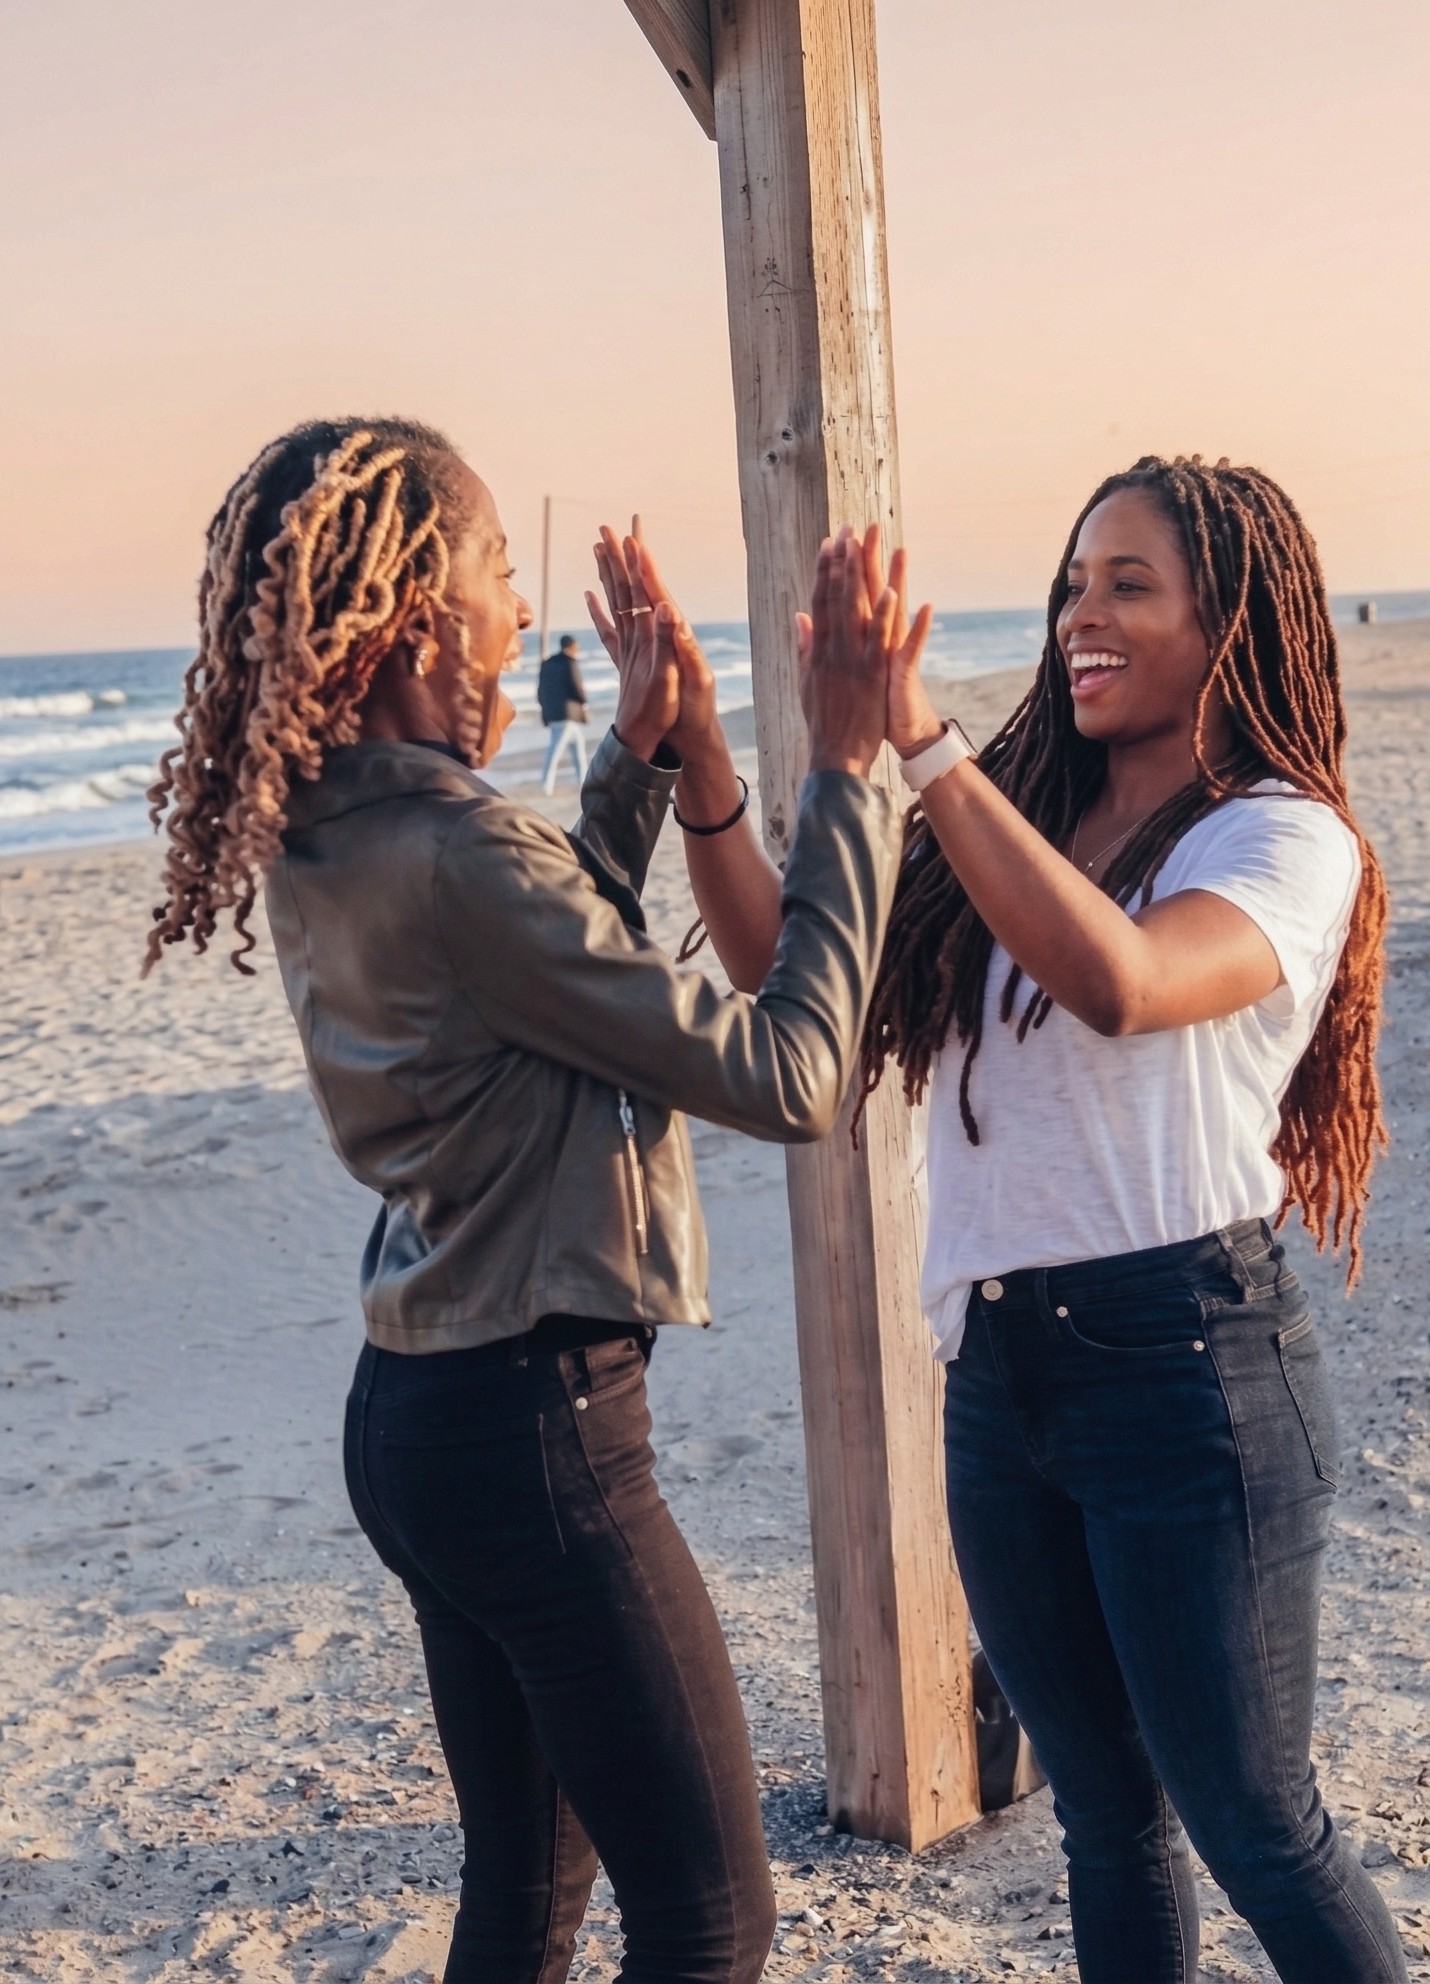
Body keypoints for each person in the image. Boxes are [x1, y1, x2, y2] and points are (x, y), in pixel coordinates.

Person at [143, 415, 920, 1984]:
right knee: (710, 1924)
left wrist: (642, 760)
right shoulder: (460, 849)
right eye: (502, 569)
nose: (523, 607)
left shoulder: (337, 824)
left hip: (421, 1415)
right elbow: (790, 1076)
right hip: (536, 1435)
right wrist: (846, 777)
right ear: (427, 610)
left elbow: (539, 974)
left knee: (525, 1897)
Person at [677, 458, 1407, 1984]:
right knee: (1104, 1817)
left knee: (1257, 1820)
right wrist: (703, 766)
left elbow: (1126, 985)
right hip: (1000, 1381)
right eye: (1074, 583)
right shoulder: (1008, 828)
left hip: (1188, 1371)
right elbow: (775, 966)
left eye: (1128, 584)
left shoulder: (1283, 839)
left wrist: (927, 743)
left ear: (1234, 622)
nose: (1082, 615)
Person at [538, 633, 590, 792]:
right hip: (569, 714)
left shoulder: (547, 663)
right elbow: (576, 686)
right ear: (571, 646)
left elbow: (541, 690)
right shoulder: (570, 663)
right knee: (555, 751)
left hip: (555, 713)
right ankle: (546, 786)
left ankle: (584, 783)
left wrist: (545, 711)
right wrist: (584, 701)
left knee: (578, 752)